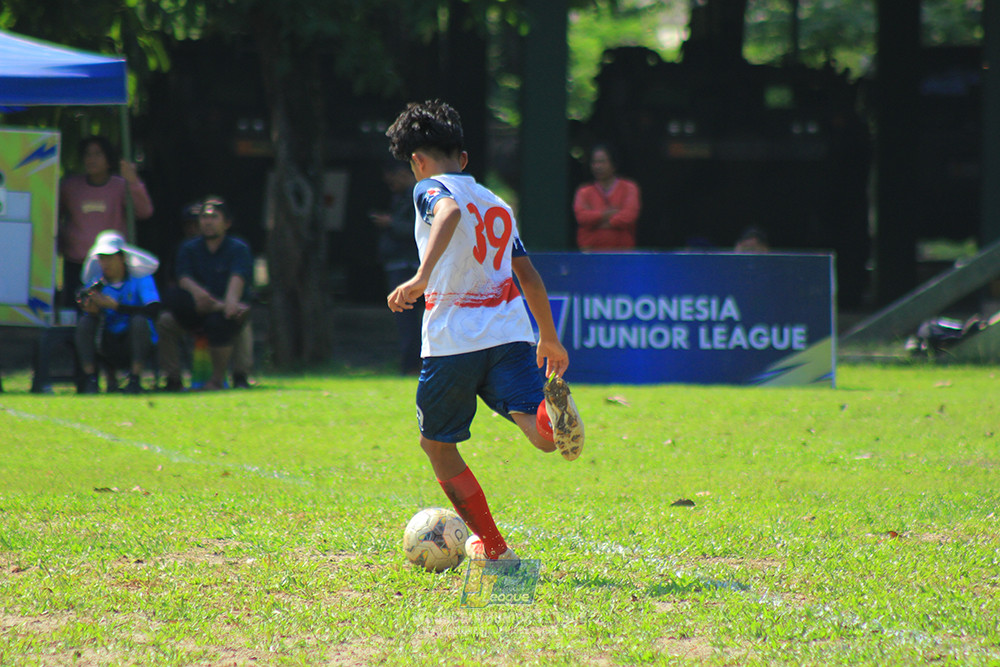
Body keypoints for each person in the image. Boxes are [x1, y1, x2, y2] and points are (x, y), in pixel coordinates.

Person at [385, 99, 585, 565]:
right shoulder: (497, 203)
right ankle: (551, 412)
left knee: (436, 445)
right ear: (466, 157)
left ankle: (494, 548)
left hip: (455, 338)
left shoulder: (429, 188)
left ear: (417, 161)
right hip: (510, 332)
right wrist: (549, 338)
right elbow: (528, 275)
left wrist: (420, 277)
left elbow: (449, 212)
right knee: (540, 435)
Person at [157, 196, 253, 391]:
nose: (207, 222)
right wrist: (202, 296)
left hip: (226, 311)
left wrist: (229, 304)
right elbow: (183, 278)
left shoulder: (238, 248)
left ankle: (228, 378)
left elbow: (238, 278)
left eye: (214, 217)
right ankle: (173, 379)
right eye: (204, 217)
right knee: (165, 322)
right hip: (194, 308)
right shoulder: (188, 248)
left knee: (235, 318)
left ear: (227, 223)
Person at [59, 136, 155, 307]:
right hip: (76, 262)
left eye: (97, 154)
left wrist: (133, 181)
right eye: (88, 154)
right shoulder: (70, 186)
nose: (91, 159)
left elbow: (144, 211)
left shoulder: (120, 186)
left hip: (109, 265)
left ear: (109, 160)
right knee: (74, 310)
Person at [74, 231, 161, 394]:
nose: (105, 263)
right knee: (85, 322)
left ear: (122, 258)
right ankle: (91, 379)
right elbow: (83, 301)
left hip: (135, 341)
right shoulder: (96, 285)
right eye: (102, 258)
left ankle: (134, 380)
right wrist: (92, 310)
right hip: (107, 342)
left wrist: (116, 307)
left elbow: (153, 310)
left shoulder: (141, 279)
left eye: (110, 257)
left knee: (139, 321)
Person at [370, 160, 422, 375]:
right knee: (407, 321)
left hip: (409, 266)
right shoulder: (401, 197)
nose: (389, 184)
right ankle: (412, 364)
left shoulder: (418, 196)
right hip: (400, 265)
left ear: (402, 174)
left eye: (392, 179)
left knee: (410, 320)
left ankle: (412, 365)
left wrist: (390, 224)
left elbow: (418, 230)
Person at [572, 144, 641, 251]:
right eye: (594, 162)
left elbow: (629, 216)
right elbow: (582, 218)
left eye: (602, 162)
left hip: (622, 253)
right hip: (590, 253)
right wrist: (607, 215)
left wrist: (595, 224)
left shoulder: (629, 188)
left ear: (614, 164)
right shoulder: (584, 192)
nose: (597, 166)